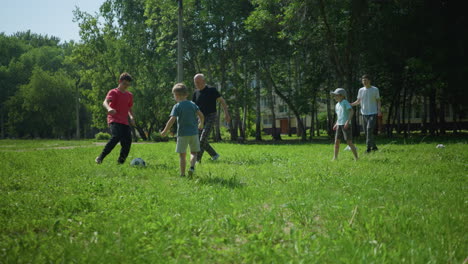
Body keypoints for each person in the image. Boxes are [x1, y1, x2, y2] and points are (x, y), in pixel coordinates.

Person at [161, 83, 204, 177]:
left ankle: (182, 174)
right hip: (194, 133)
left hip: (182, 134)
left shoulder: (177, 106)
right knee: (193, 152)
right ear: (186, 94)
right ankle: (192, 167)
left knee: (182, 155)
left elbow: (171, 120)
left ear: (176, 95)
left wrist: (165, 131)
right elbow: (201, 115)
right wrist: (201, 123)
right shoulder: (192, 104)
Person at [95, 72, 135, 164]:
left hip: (124, 121)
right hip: (114, 119)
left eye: (128, 85)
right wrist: (109, 108)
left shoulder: (129, 95)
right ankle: (100, 157)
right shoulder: (113, 92)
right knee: (116, 136)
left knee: (127, 141)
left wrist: (132, 117)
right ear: (119, 81)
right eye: (124, 83)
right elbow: (105, 102)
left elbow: (129, 108)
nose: (126, 86)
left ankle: (120, 162)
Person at [192, 73, 231, 162]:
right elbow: (193, 107)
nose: (197, 84)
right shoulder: (195, 93)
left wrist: (226, 114)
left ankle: (198, 160)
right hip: (200, 119)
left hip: (211, 116)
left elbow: (222, 101)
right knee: (199, 140)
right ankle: (214, 155)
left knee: (202, 138)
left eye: (198, 82)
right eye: (195, 82)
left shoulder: (212, 90)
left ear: (204, 81)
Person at [351, 74, 382, 153]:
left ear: (369, 81)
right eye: (363, 80)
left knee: (369, 129)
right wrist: (350, 104)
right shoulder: (361, 90)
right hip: (364, 113)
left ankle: (368, 148)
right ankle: (374, 147)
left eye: (366, 80)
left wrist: (379, 111)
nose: (364, 82)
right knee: (367, 132)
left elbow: (378, 101)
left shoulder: (375, 89)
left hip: (373, 113)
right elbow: (358, 101)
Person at [331, 88, 359, 161]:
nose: (335, 97)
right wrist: (336, 123)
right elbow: (339, 116)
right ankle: (335, 157)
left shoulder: (345, 102)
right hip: (339, 125)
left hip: (346, 125)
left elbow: (351, 111)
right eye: (334, 96)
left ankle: (356, 158)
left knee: (349, 142)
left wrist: (347, 121)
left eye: (336, 95)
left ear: (342, 96)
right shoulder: (337, 105)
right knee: (336, 142)